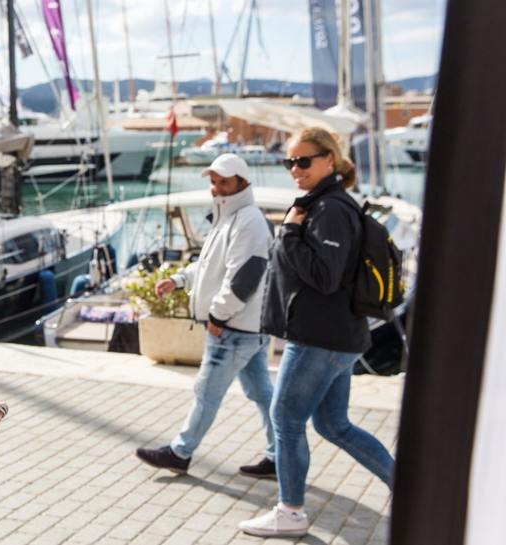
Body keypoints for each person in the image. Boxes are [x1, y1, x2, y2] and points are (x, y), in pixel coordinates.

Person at [240, 128, 395, 537]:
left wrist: (289, 233)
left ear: (329, 159)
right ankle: (403, 484)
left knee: (285, 419)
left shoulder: (330, 210)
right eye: (289, 162)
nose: (295, 169)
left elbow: (325, 277)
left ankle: (290, 512)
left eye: (303, 161)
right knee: (333, 425)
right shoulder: (323, 204)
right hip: (334, 336)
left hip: (320, 338)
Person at [135, 153, 277, 478]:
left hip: (233, 328)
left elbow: (244, 278)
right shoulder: (229, 218)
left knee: (206, 392)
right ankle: (280, 455)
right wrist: (180, 280)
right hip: (246, 328)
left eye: (224, 181)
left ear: (242, 183)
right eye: (213, 182)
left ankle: (180, 452)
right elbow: (209, 265)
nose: (216, 188)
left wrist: (217, 317)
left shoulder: (248, 221)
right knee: (261, 393)